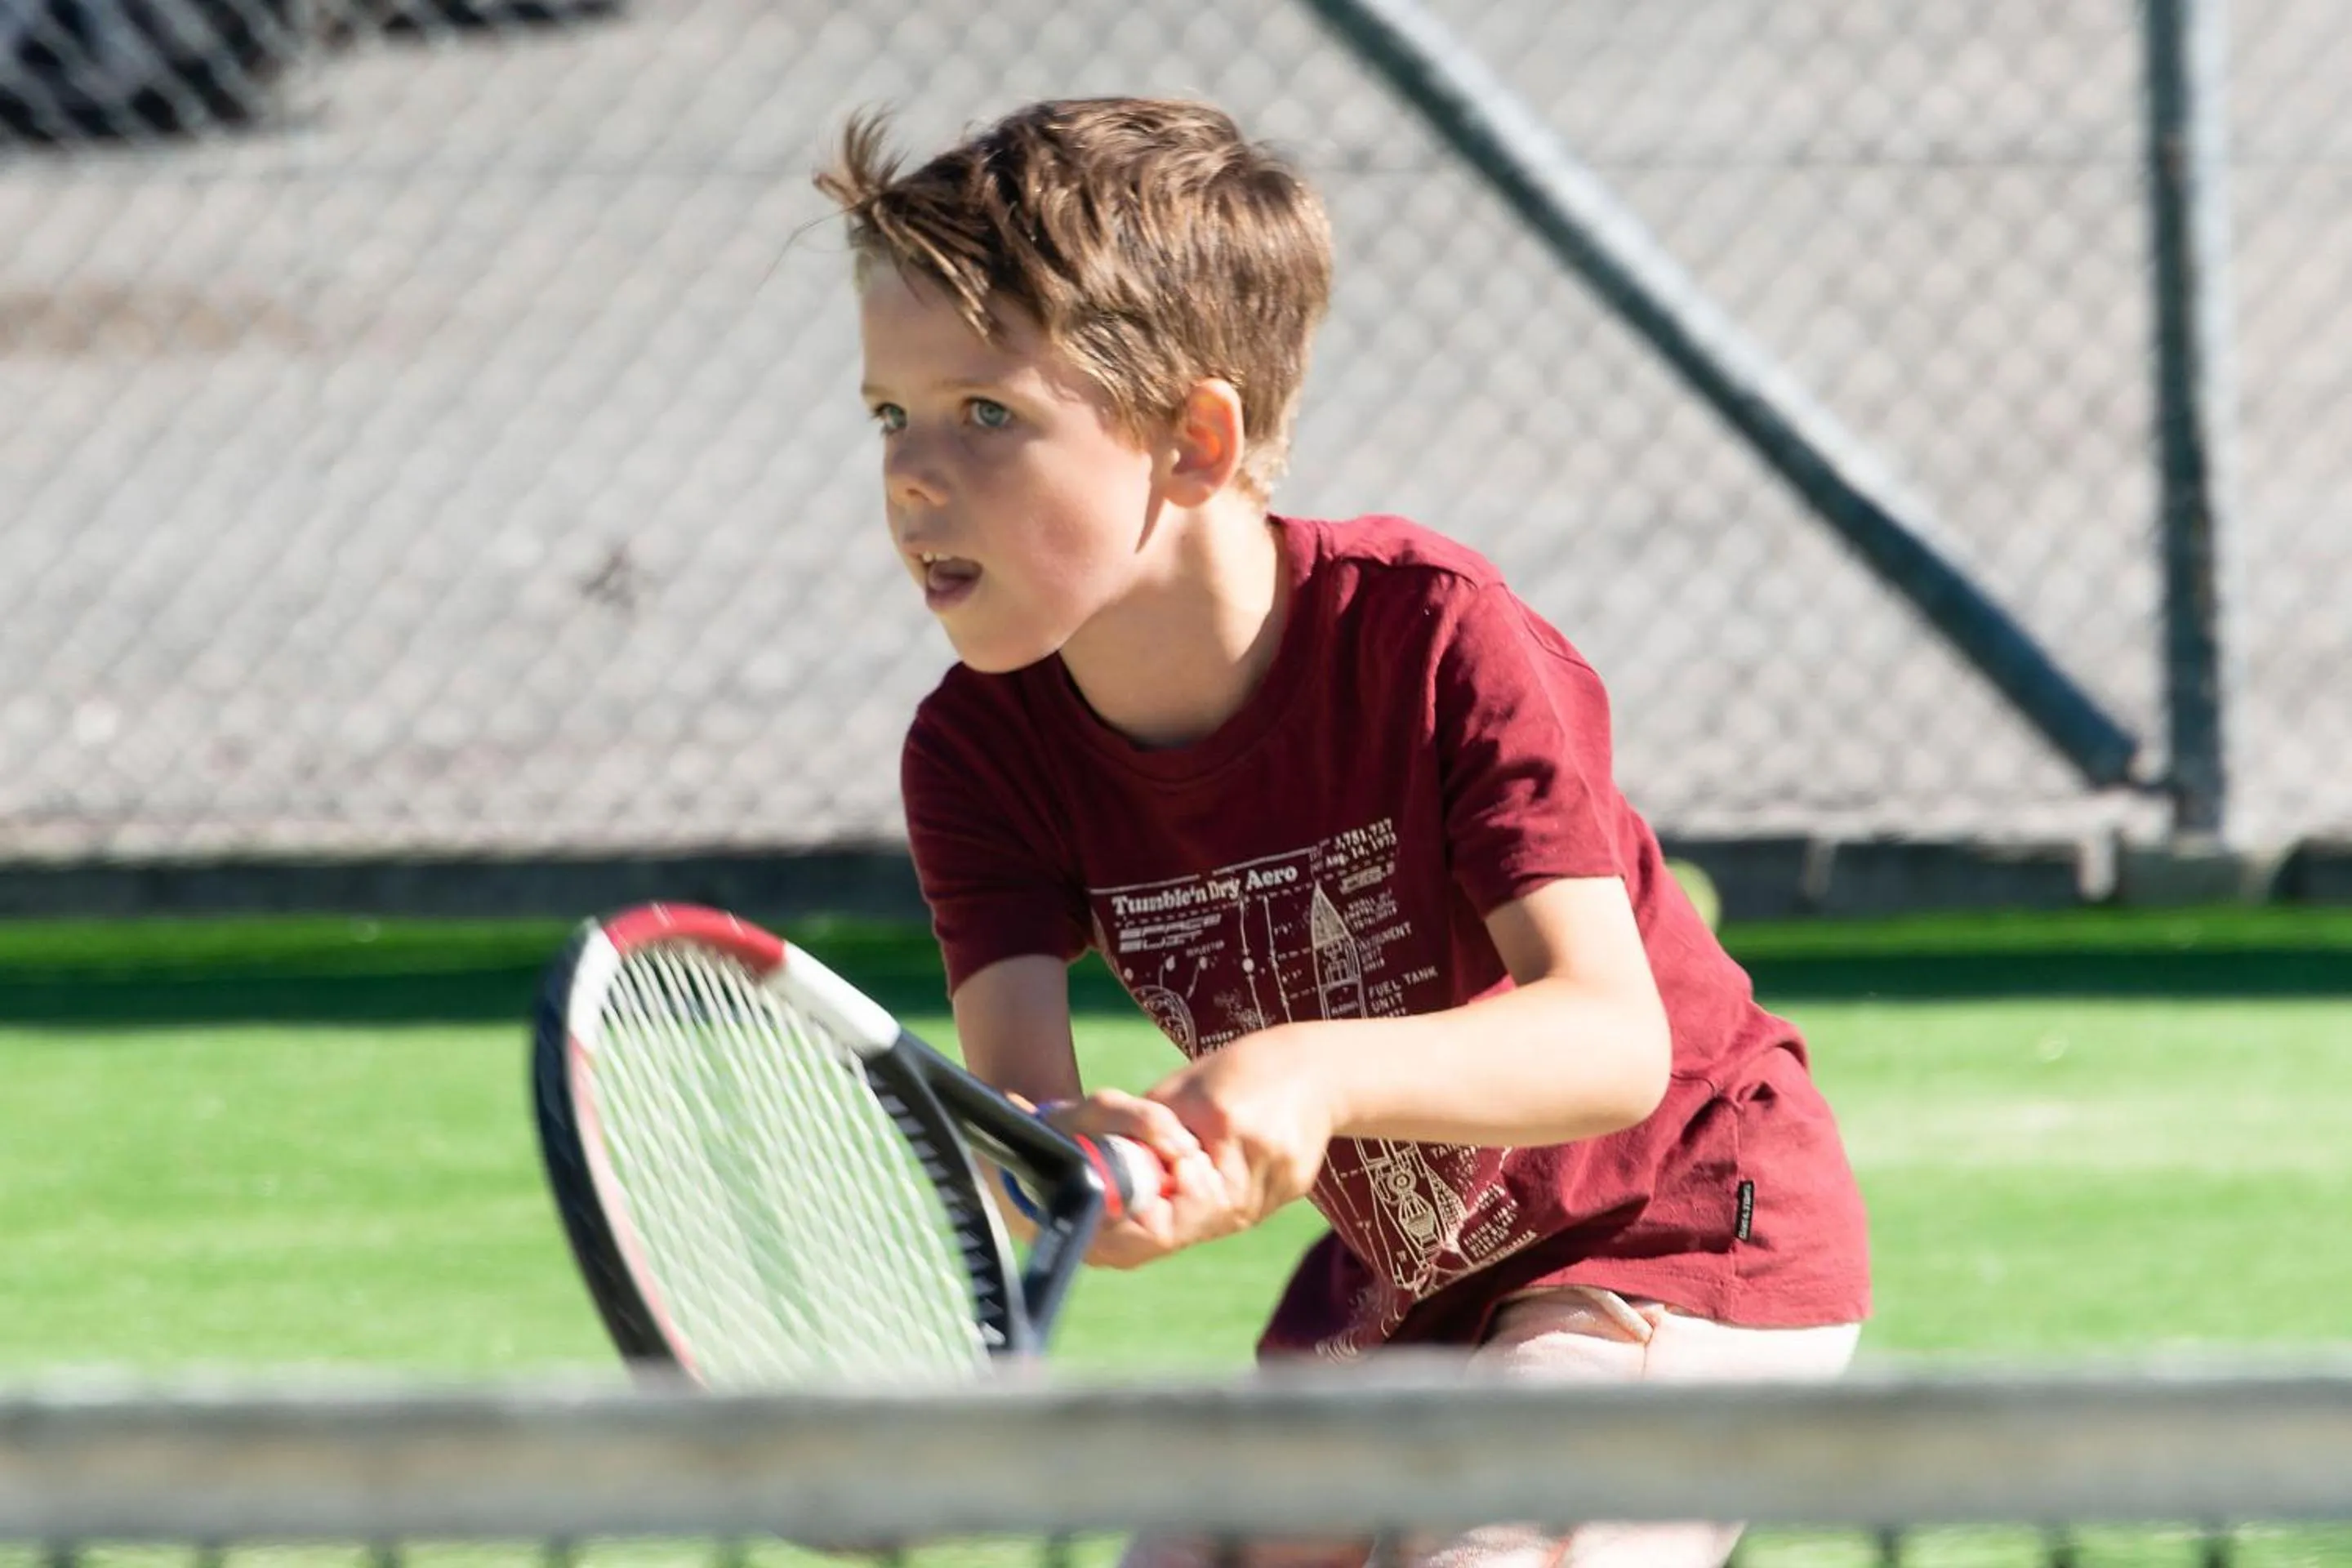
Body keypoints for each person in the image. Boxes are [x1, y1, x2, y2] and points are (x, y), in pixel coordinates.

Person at [816, 96, 1870, 1568]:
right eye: (890, 413)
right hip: (1407, 1286)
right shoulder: (977, 757)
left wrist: (1299, 1075)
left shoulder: (1430, 633)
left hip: (1681, 1232)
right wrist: (1120, 1178)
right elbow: (1039, 1152)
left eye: (987, 413)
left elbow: (1609, 1043)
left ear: (1194, 440)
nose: (912, 473)